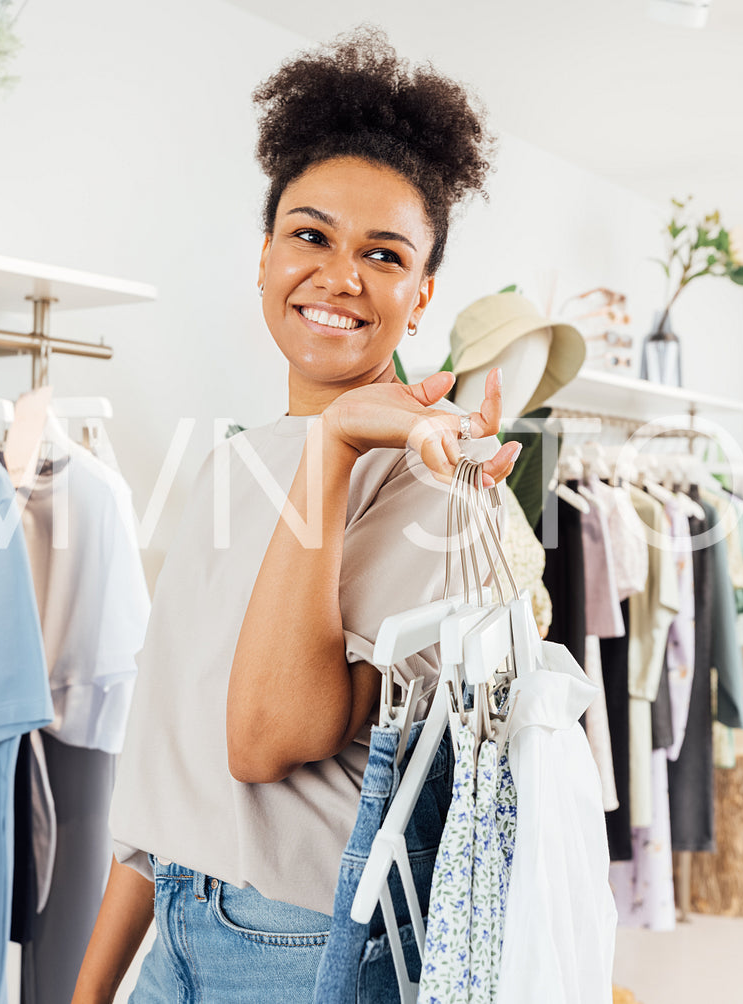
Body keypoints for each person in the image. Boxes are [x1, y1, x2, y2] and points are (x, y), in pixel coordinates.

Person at [70, 27, 516, 1003]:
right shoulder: (229, 465)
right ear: (264, 254)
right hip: (176, 927)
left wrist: (335, 447)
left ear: (421, 293)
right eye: (310, 235)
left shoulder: (432, 486)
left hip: (296, 949)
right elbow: (170, 776)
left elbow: (264, 737)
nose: (339, 275)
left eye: (384, 254)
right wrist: (89, 985)